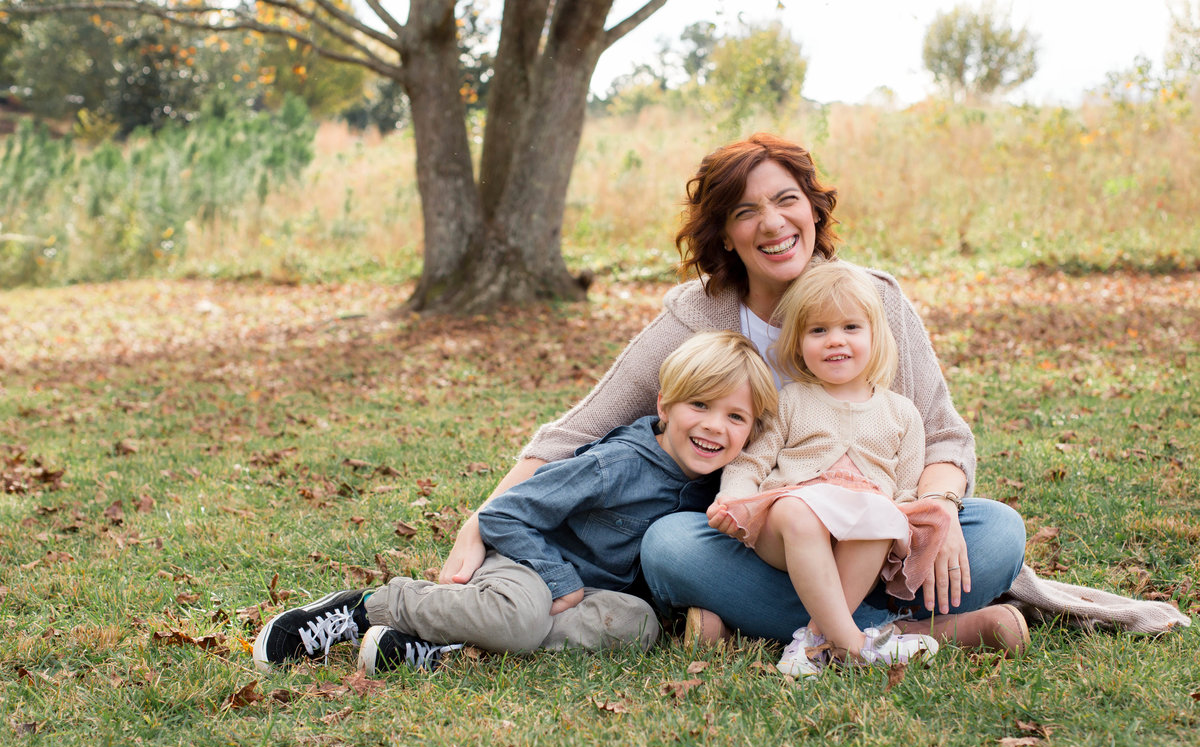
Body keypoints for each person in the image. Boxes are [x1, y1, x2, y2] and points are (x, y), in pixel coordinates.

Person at [437, 132, 1029, 656]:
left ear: (814, 211)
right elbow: (579, 428)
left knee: (999, 533)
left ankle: (780, 630)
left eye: (786, 200)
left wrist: (941, 512)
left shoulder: (874, 300)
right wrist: (482, 521)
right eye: (746, 211)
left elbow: (944, 435)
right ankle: (912, 634)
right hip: (759, 538)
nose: (772, 224)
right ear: (724, 232)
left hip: (879, 532)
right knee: (668, 544)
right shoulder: (699, 315)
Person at [252, 331, 778, 674]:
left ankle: (438, 648)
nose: (714, 426)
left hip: (587, 594)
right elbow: (503, 513)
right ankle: (363, 610)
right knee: (522, 619)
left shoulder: (717, 485)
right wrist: (559, 579)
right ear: (664, 403)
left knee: (636, 625)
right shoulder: (616, 464)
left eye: (736, 417)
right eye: (700, 405)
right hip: (524, 562)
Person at [707, 262, 942, 676]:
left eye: (850, 328)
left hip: (859, 548)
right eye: (818, 331)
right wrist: (733, 496)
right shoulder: (791, 400)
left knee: (881, 514)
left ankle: (811, 645)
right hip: (790, 531)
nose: (835, 341)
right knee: (799, 509)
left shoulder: (901, 413)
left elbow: (906, 491)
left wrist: (911, 534)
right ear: (798, 344)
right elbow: (752, 461)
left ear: (876, 336)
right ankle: (855, 642)